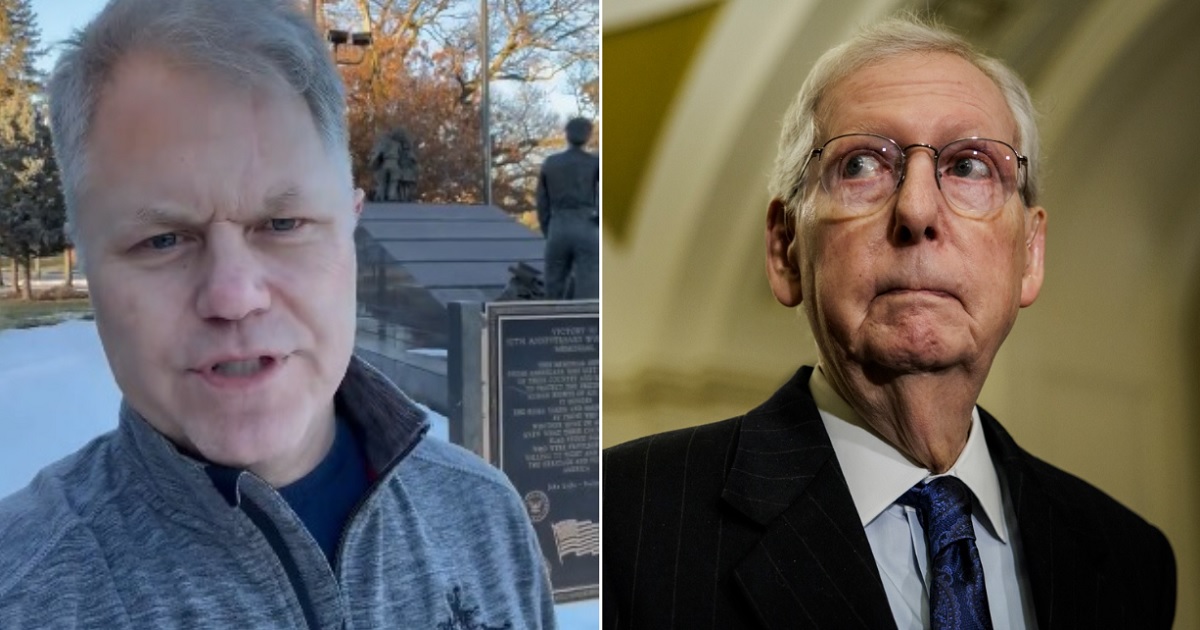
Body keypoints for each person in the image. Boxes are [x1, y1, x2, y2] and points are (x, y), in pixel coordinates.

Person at [603, 16, 1176, 630]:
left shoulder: (1125, 558)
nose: (918, 210)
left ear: (1030, 255)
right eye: (861, 166)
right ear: (785, 250)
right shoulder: (620, 524)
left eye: (970, 166)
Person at [0, 0, 555, 627]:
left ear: (350, 224)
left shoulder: (485, 516)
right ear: (89, 261)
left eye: (283, 223)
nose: (234, 296)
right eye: (162, 240)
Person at [538, 117, 600, 300]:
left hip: (558, 226)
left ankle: (553, 323)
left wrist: (548, 229)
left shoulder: (551, 163)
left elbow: (542, 201)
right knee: (589, 283)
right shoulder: (594, 163)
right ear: (588, 136)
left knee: (553, 282)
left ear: (566, 135)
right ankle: (586, 325)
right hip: (587, 225)